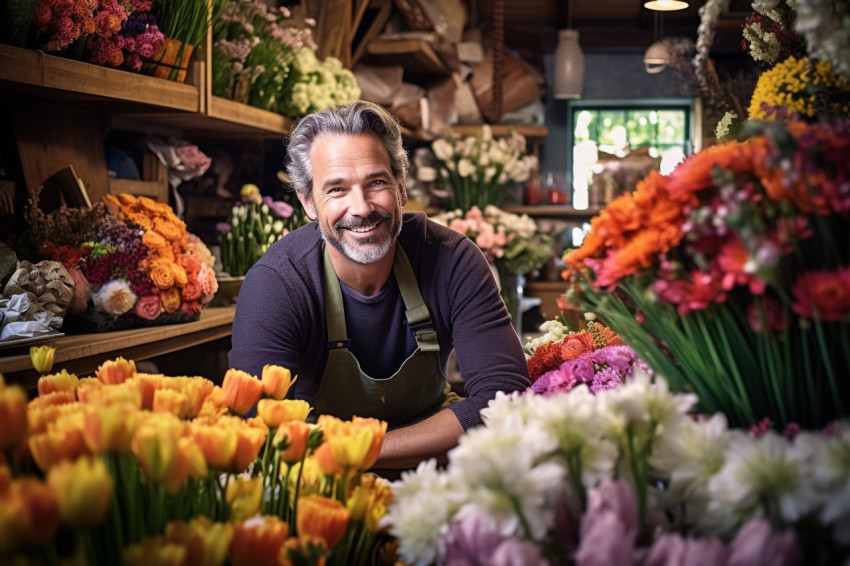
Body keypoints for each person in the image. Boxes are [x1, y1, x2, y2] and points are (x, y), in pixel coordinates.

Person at [228, 100, 530, 469]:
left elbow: (505, 396)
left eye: (376, 183)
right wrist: (343, 457)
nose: (362, 208)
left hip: (432, 463)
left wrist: (365, 450)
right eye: (336, 189)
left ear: (401, 187)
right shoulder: (276, 284)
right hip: (320, 472)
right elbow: (257, 422)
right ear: (308, 202)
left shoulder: (453, 260)